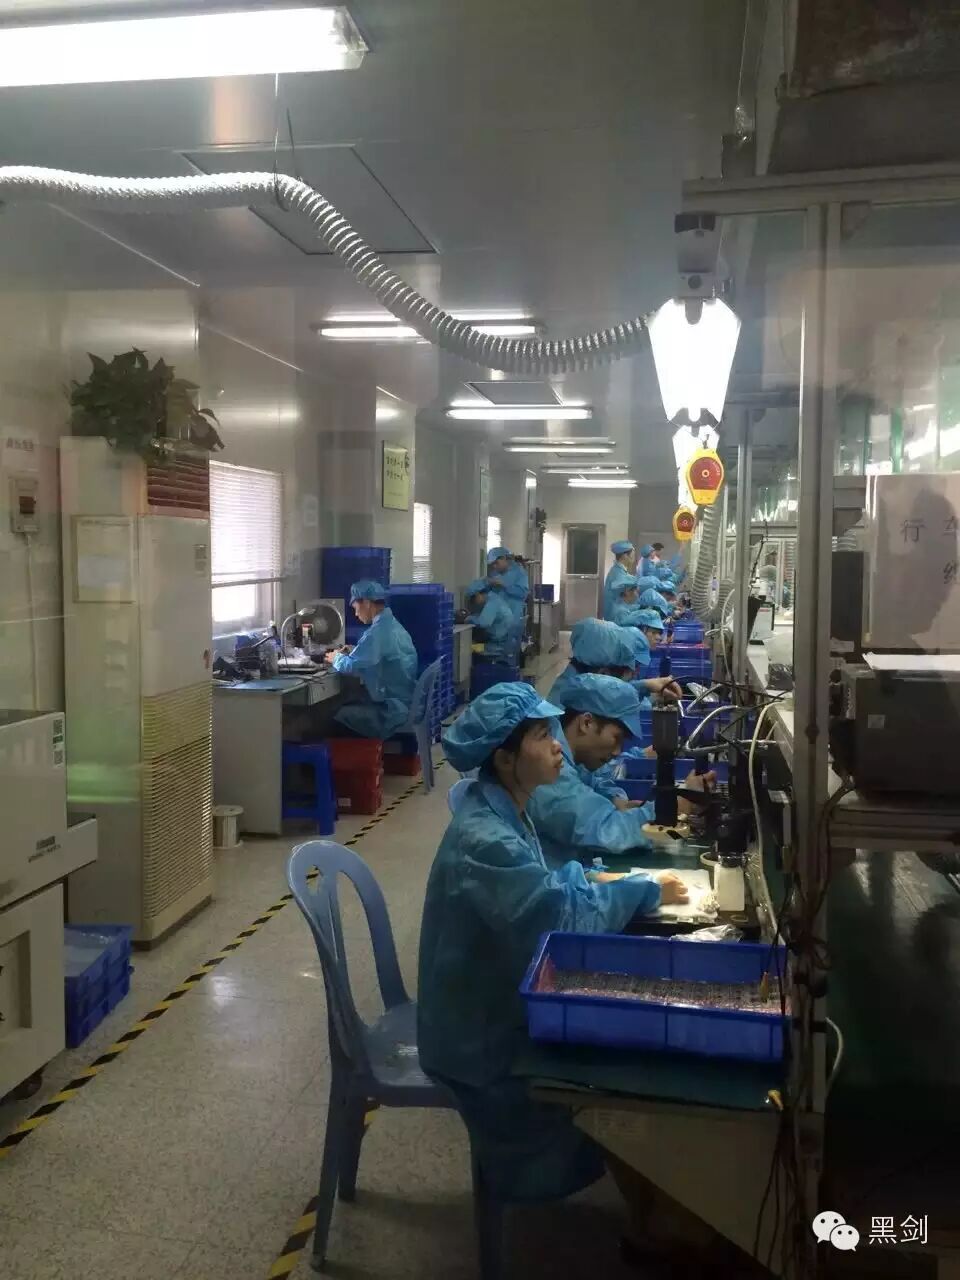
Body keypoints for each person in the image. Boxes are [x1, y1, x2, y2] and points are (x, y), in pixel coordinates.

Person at [417, 682, 688, 1204]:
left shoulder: (506, 806)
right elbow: (557, 919)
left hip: (498, 992)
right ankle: (648, 1202)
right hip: (480, 1037)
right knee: (617, 1075)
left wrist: (596, 880)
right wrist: (642, 890)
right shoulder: (486, 840)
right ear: (505, 758)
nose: (558, 745)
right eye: (543, 736)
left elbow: (541, 885)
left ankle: (650, 1197)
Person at [527, 674, 705, 868]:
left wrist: (616, 801)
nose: (618, 751)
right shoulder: (551, 770)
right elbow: (606, 831)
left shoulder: (574, 758)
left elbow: (595, 782)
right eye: (616, 738)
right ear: (586, 723)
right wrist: (676, 807)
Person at [324, 580, 418, 737]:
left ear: (367, 603)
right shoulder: (392, 625)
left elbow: (353, 666)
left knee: (334, 715)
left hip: (390, 711)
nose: (356, 614)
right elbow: (376, 654)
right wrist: (354, 650)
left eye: (356, 607)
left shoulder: (376, 632)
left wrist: (335, 658)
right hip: (404, 702)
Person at [549, 616, 679, 708]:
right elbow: (610, 699)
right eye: (631, 673)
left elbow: (609, 691)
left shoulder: (578, 681)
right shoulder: (572, 703)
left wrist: (645, 686)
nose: (635, 674)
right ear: (604, 673)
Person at [464, 577, 515, 661]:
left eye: (472, 599)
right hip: (504, 643)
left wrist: (468, 618)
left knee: (468, 649)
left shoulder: (492, 603)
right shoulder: (495, 599)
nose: (473, 603)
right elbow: (486, 616)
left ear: (478, 594)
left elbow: (484, 622)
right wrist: (474, 616)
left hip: (497, 647)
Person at [486, 546, 529, 636]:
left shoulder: (519, 573)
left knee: (510, 642)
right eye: (493, 564)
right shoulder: (495, 573)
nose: (494, 566)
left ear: (504, 558)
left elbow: (523, 593)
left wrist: (504, 585)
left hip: (513, 618)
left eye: (496, 563)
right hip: (497, 619)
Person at [602, 539, 637, 620]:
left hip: (617, 613)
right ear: (625, 556)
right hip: (614, 617)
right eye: (632, 555)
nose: (634, 558)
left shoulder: (619, 570)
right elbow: (623, 582)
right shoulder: (617, 573)